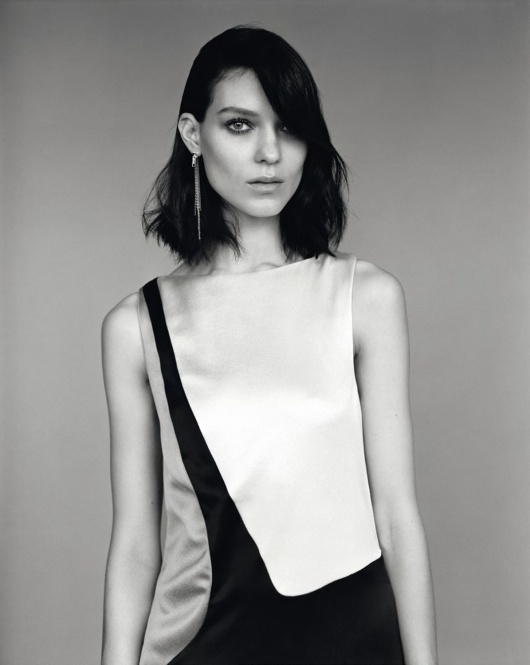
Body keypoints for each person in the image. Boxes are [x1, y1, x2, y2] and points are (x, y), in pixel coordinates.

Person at [100, 25, 438, 665]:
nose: (270, 153)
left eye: (288, 128)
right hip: (201, 644)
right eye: (240, 125)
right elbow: (137, 544)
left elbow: (396, 518)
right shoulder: (137, 325)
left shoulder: (364, 298)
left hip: (351, 646)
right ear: (193, 134)